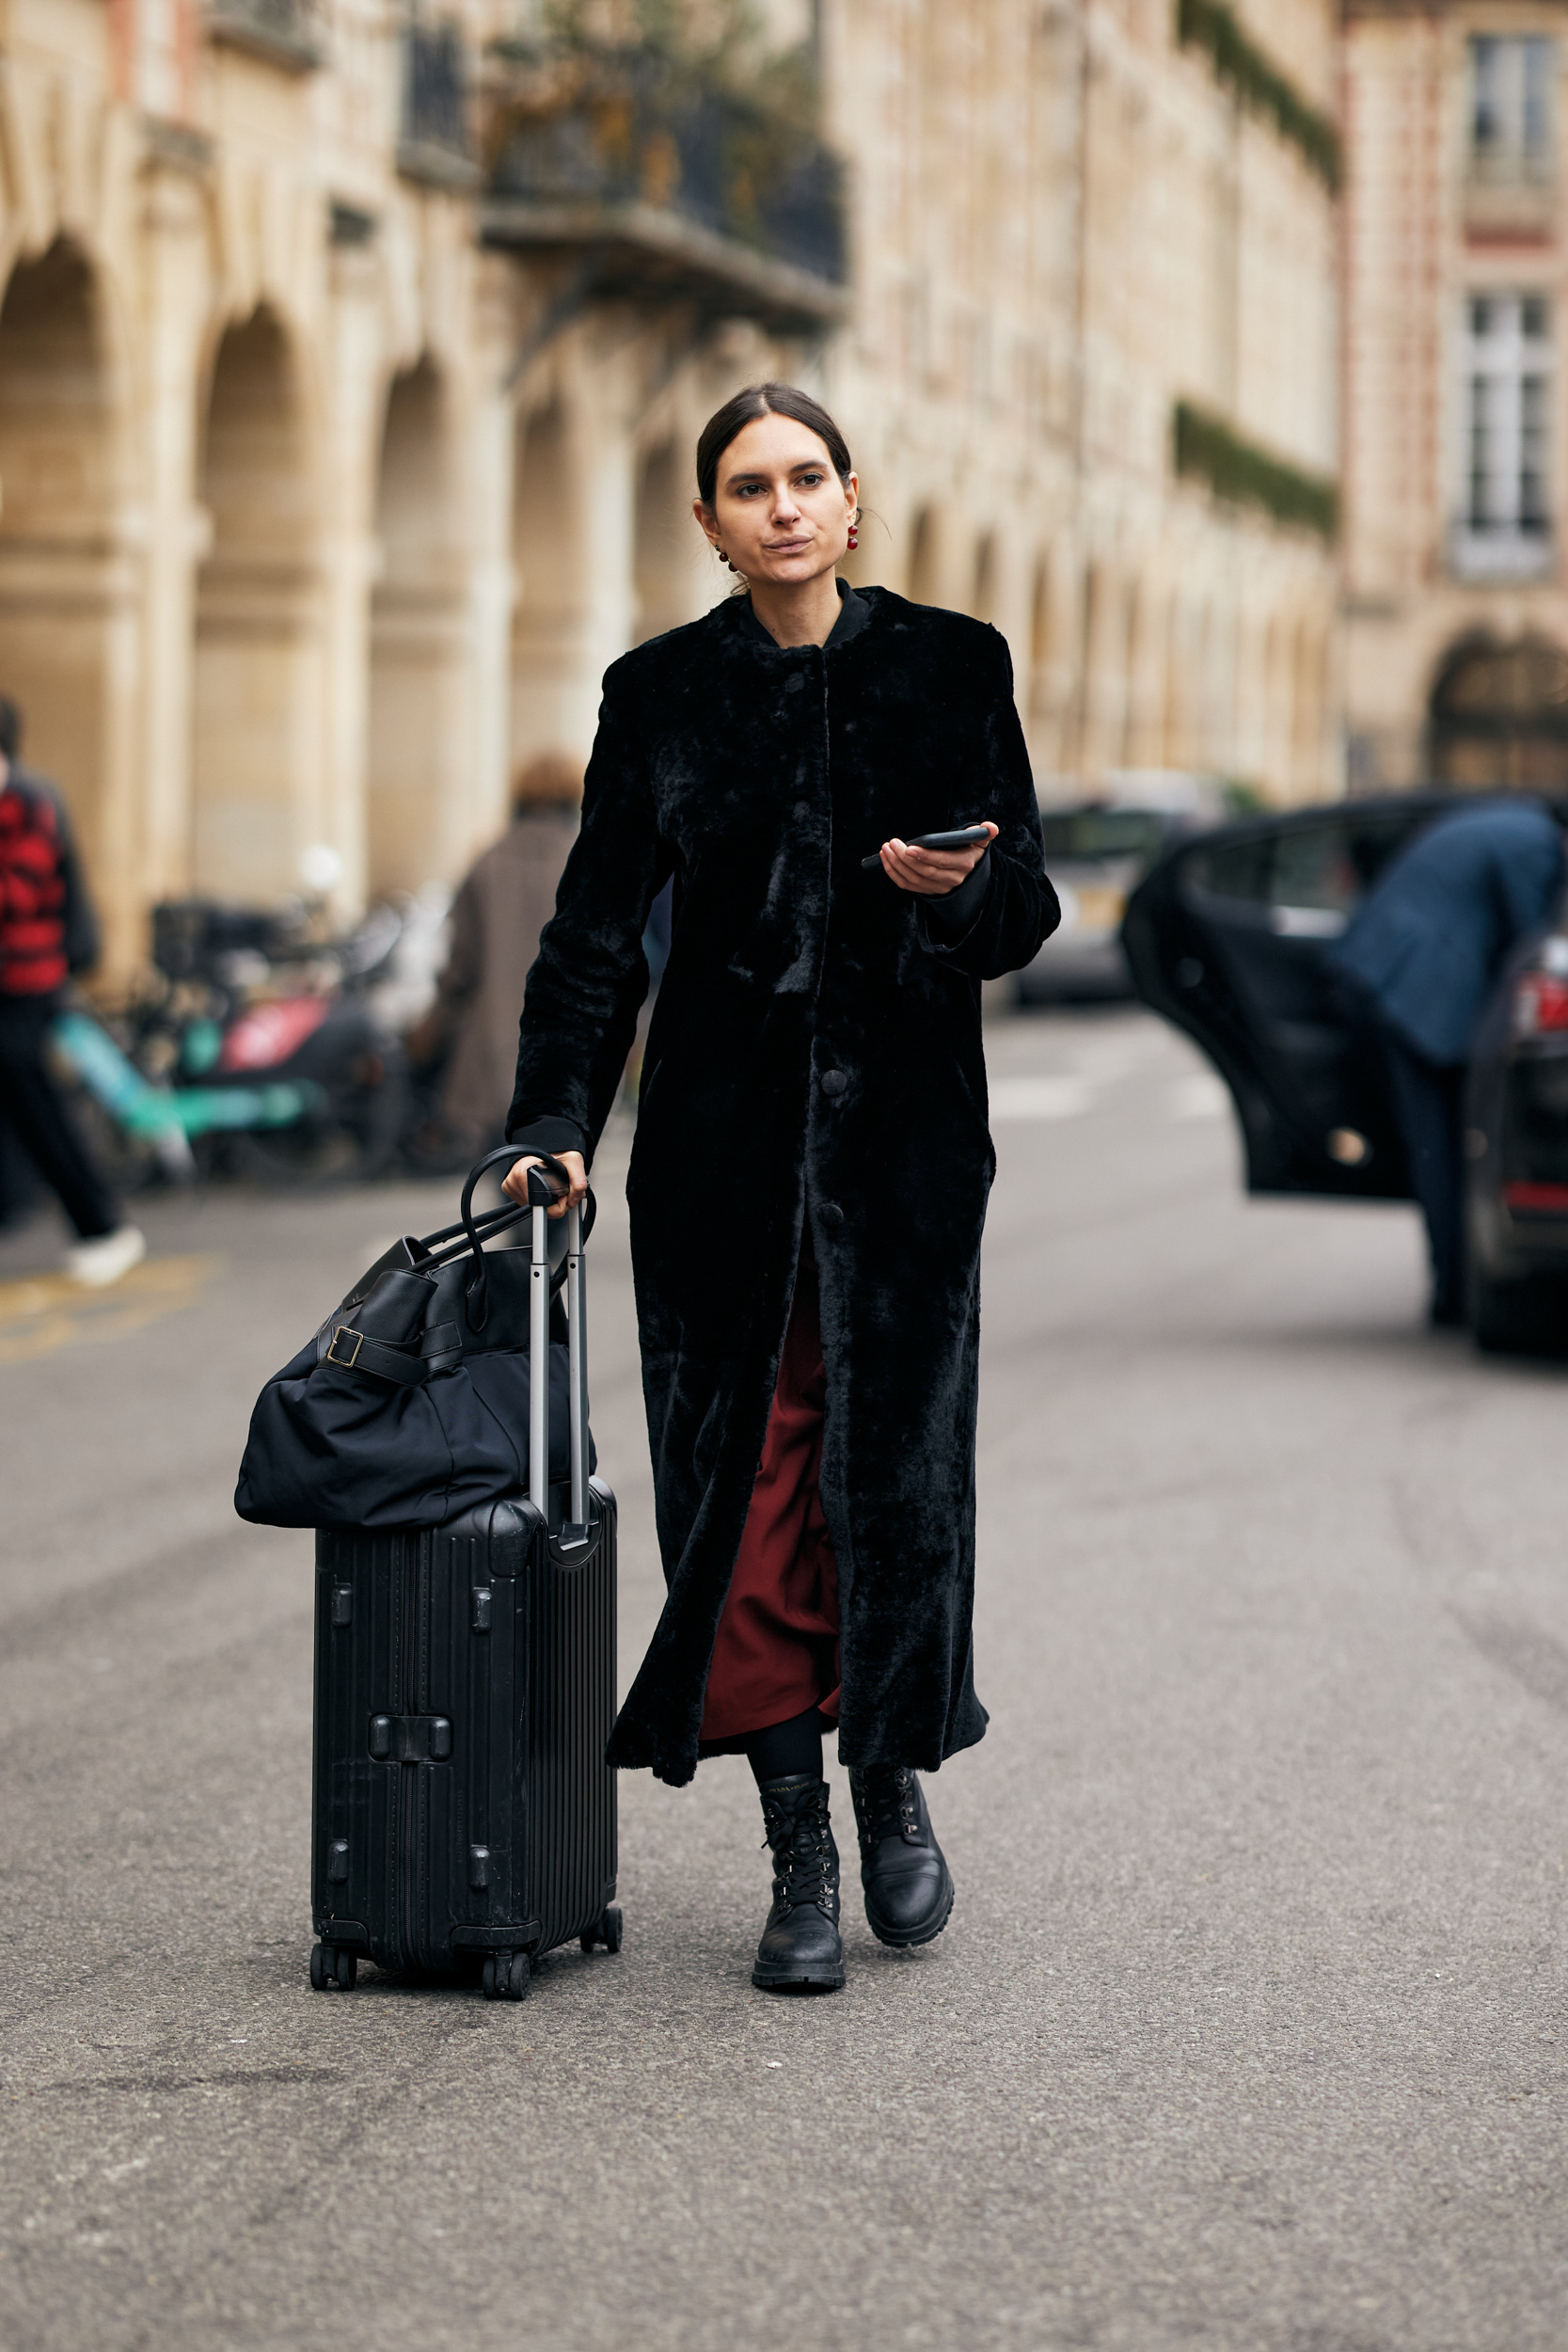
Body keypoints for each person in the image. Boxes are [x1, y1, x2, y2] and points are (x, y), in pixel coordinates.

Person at [502, 382, 1059, 1994]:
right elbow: (592, 937)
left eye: (807, 477)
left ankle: (888, 1786)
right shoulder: (659, 695)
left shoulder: (955, 665)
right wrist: (551, 1119)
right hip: (716, 1171)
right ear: (710, 523)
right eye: (749, 486)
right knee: (740, 1496)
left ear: (852, 498)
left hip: (899, 1166)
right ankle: (794, 1845)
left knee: (887, 1484)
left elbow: (1026, 910)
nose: (783, 507)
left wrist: (949, 897)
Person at [1327, 796, 1565, 1326]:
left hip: (1382, 966)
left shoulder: (1509, 822)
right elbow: (1532, 943)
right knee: (1440, 1142)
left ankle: (1450, 1283)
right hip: (1415, 982)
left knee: (1432, 1140)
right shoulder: (1533, 844)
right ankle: (1454, 1291)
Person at [0, 697, 145, 1286]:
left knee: (38, 1105)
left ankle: (103, 1226)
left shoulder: (29, 801)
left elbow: (19, 895)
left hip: (27, 984)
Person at [406, 754, 581, 1155]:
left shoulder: (488, 863)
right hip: (570, 1050)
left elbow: (460, 967)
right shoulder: (586, 859)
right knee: (563, 1180)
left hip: (495, 1043)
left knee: (509, 1185)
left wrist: (436, 1028)